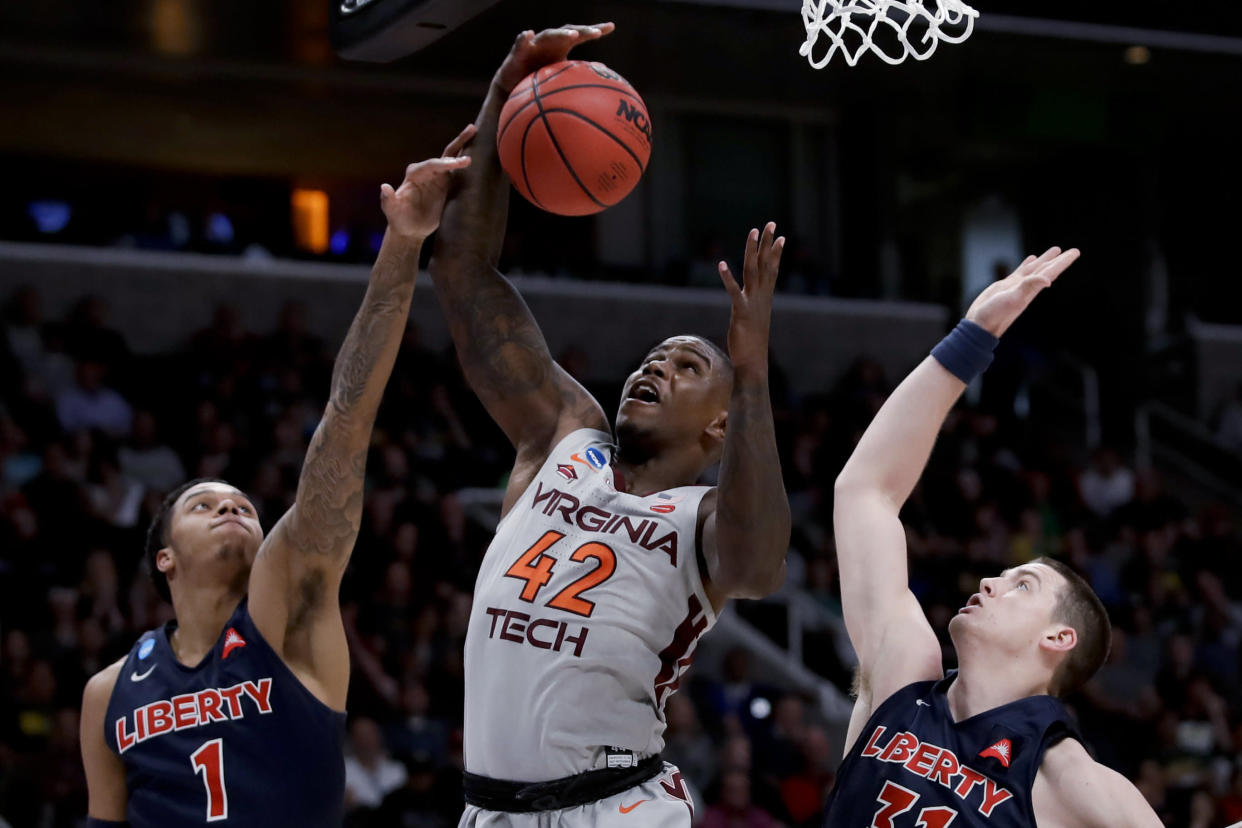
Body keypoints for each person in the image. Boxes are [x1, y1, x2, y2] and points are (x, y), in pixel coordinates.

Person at [428, 23, 791, 828]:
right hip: (488, 810)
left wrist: (755, 373)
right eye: (654, 358)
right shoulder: (565, 434)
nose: (654, 367)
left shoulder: (704, 519)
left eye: (687, 366)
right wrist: (506, 92)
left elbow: (761, 566)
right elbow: (461, 271)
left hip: (616, 809)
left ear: (721, 427)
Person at [77, 130, 475, 828]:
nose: (232, 508)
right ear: (163, 555)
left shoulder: (289, 617)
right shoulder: (107, 692)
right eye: (205, 505)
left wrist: (403, 245)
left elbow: (346, 421)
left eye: (244, 506)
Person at [823, 248, 1161, 825]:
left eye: (1022, 585)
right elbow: (865, 492)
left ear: (1059, 637)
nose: (990, 581)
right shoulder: (904, 674)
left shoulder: (1069, 778)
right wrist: (973, 336)